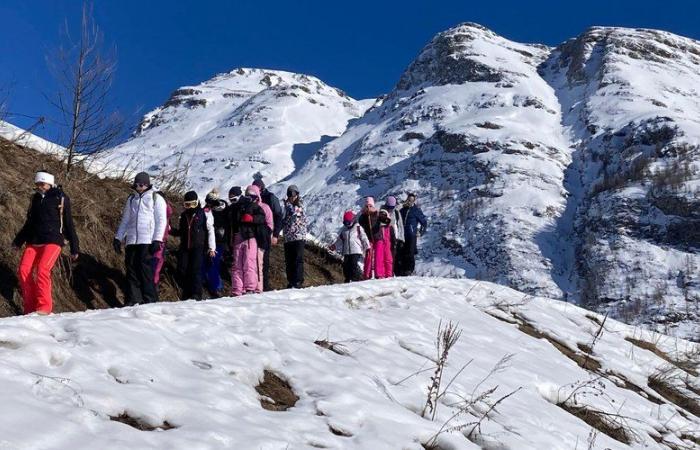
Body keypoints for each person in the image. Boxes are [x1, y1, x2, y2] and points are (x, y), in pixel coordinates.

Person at [13, 171, 79, 315]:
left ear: (50, 183)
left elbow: (68, 223)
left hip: (53, 240)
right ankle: (29, 308)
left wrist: (75, 248)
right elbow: (29, 223)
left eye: (42, 184)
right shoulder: (35, 199)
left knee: (43, 269)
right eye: (37, 184)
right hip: (34, 241)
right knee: (24, 270)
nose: (39, 187)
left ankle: (44, 307)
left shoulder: (60, 197)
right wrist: (18, 241)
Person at [114, 172, 167, 306]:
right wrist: (118, 238)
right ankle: (133, 300)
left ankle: (150, 300)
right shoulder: (132, 199)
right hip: (132, 240)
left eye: (142, 184)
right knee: (131, 269)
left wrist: (157, 239)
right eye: (136, 185)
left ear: (147, 184)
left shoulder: (156, 198)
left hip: (147, 240)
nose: (139, 187)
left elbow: (161, 220)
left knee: (145, 272)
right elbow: (125, 220)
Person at [171, 191, 216, 300]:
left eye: (193, 204)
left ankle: (196, 294)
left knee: (196, 270)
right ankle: (186, 292)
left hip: (198, 246)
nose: (190, 207)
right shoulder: (183, 215)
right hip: (185, 246)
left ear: (197, 203)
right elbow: (182, 231)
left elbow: (210, 230)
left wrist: (212, 248)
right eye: (187, 204)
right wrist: (170, 230)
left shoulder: (203, 214)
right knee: (182, 269)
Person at [229, 187, 266, 296]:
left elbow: (262, 217)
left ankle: (250, 288)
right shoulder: (233, 208)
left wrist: (252, 219)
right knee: (237, 265)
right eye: (231, 199)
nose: (232, 201)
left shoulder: (251, 205)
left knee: (249, 263)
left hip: (249, 237)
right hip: (237, 237)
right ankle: (237, 289)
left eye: (234, 198)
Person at [252, 178, 283, 291]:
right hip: (255, 234)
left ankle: (263, 285)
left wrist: (275, 234)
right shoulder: (253, 198)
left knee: (264, 260)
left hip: (266, 233)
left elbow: (279, 216)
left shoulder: (270, 198)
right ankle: (256, 284)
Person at [330, 210, 370, 283]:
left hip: (356, 250)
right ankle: (347, 279)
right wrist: (334, 246)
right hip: (346, 251)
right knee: (345, 266)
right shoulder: (344, 230)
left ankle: (355, 279)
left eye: (348, 222)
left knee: (353, 264)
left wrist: (367, 246)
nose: (347, 224)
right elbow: (340, 240)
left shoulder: (358, 228)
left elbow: (364, 237)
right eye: (345, 223)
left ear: (353, 220)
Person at [246, 184, 273, 293]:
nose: (250, 198)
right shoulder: (246, 207)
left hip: (262, 239)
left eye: (252, 195)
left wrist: (266, 235)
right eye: (247, 195)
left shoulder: (265, 207)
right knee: (250, 264)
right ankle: (250, 286)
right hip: (249, 239)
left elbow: (270, 224)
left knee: (260, 264)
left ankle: (260, 287)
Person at [202, 189, 228, 297]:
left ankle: (216, 287)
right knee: (209, 262)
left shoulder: (223, 211)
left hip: (219, 240)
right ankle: (210, 284)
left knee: (214, 263)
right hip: (211, 240)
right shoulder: (206, 211)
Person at [282, 185, 307, 289]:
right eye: (289, 194)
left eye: (293, 194)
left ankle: (298, 281)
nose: (291, 197)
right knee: (289, 260)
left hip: (298, 236)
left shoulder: (300, 204)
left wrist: (288, 206)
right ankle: (291, 281)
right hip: (288, 237)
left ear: (297, 194)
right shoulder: (286, 206)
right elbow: (283, 219)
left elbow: (295, 213)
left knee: (297, 259)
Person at [397, 193, 427, 276]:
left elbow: (424, 222)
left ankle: (409, 270)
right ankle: (402, 271)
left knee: (410, 253)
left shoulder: (416, 210)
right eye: (409, 200)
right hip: (402, 235)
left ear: (414, 201)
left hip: (411, 235)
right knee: (402, 252)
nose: (410, 201)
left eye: (412, 200)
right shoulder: (402, 210)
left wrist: (420, 232)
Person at [152, 192, 173, 287]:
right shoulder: (166, 210)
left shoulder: (162, 209)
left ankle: (152, 286)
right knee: (157, 265)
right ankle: (153, 285)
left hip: (158, 240)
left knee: (155, 265)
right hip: (161, 240)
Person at [357, 196, 379, 279]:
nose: (368, 208)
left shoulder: (376, 215)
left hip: (376, 238)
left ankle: (378, 273)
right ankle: (366, 274)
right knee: (368, 256)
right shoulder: (362, 217)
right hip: (368, 239)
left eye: (370, 206)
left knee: (377, 257)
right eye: (367, 206)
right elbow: (360, 227)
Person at [384, 196, 405, 275]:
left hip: (395, 238)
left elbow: (400, 226)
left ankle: (394, 272)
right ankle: (387, 272)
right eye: (389, 207)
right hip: (385, 237)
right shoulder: (382, 212)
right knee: (386, 256)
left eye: (392, 207)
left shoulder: (396, 212)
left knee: (394, 256)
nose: (390, 209)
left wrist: (401, 239)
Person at [374, 208, 396, 279]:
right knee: (379, 258)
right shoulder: (377, 226)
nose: (382, 217)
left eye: (384, 215)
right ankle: (379, 274)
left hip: (387, 244)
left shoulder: (390, 227)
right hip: (379, 243)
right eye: (381, 216)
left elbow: (393, 237)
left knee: (388, 259)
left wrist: (394, 244)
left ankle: (389, 274)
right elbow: (374, 234)